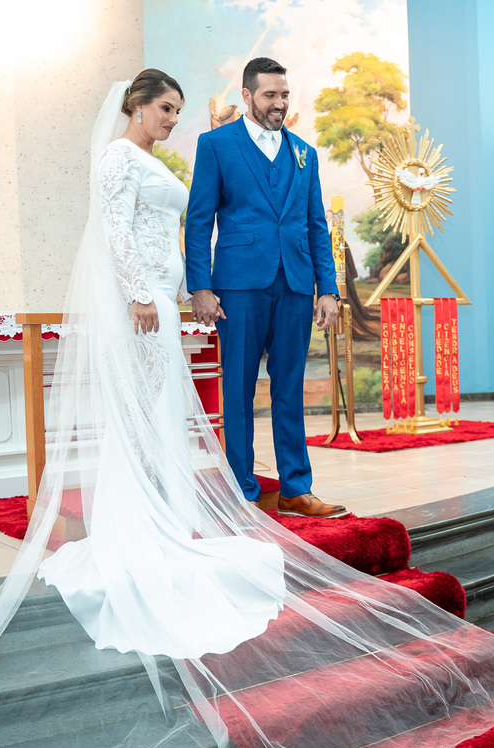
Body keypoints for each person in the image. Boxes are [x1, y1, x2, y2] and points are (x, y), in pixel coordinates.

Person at [0, 73, 494, 748]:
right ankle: (220, 499)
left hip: (194, 290)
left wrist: (318, 284)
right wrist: (169, 287)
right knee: (184, 411)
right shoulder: (146, 156)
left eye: (179, 113)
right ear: (140, 105)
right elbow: (152, 226)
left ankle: (259, 493)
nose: (173, 122)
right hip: (179, 291)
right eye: (165, 110)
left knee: (198, 408)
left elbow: (304, 221)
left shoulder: (291, 154)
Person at [186, 57, 344, 517]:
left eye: (285, 95)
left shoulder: (304, 153)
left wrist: (327, 289)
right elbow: (199, 222)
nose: (279, 103)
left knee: (289, 388)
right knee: (237, 389)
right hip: (238, 287)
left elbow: (317, 226)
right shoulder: (217, 145)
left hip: (295, 285)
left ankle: (296, 488)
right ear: (248, 95)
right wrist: (201, 285)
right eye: (270, 95)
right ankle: (242, 492)